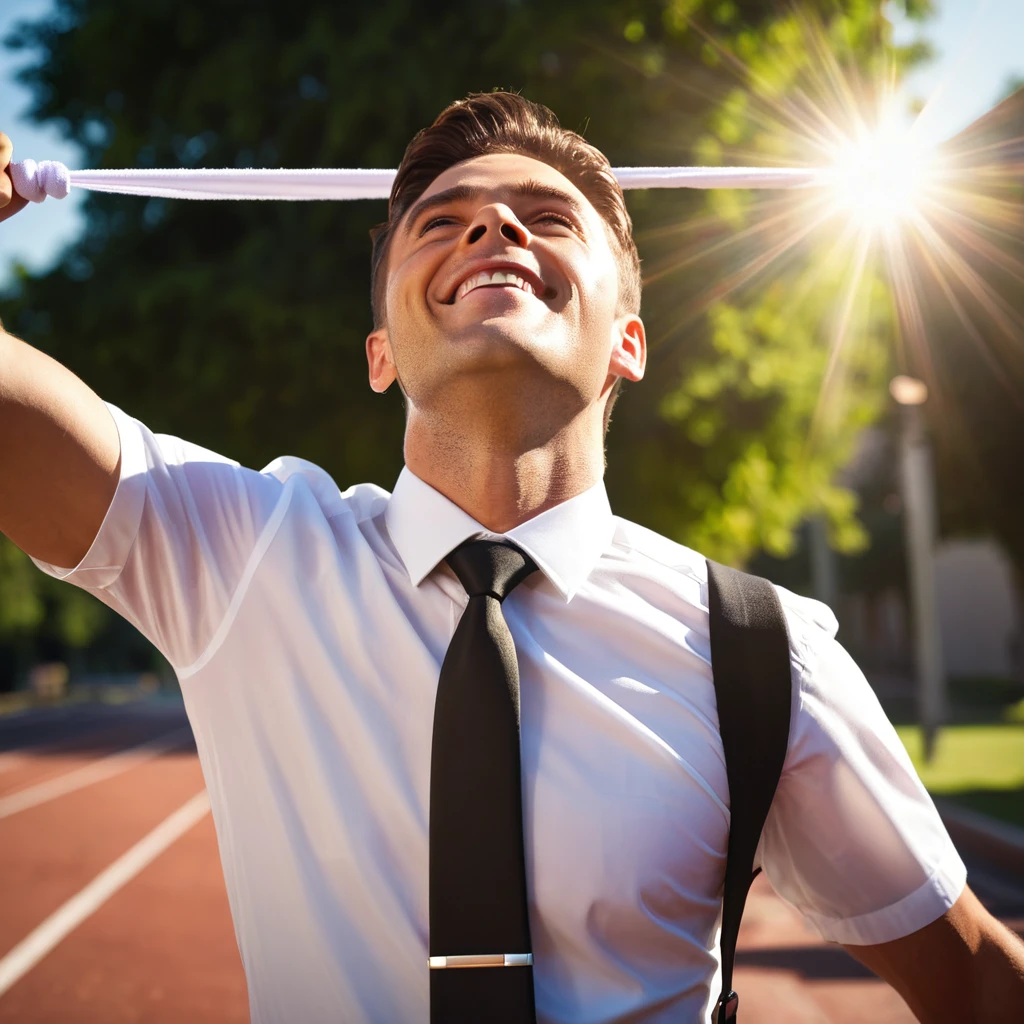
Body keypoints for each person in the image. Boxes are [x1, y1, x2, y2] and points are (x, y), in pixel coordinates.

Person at [1, 92, 1022, 1024]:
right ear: (380, 353)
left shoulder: (761, 652)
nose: (493, 227)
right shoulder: (242, 554)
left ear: (628, 341)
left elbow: (975, 980)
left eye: (548, 216)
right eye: (440, 223)